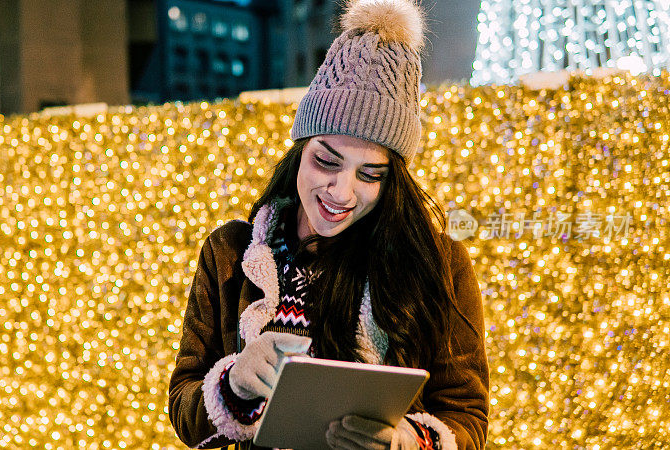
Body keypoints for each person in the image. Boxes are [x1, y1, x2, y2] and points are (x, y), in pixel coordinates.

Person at [169, 0, 489, 448]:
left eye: (370, 174)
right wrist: (235, 383)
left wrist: (411, 442)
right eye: (326, 161)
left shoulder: (437, 262)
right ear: (300, 149)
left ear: (392, 179)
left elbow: (466, 413)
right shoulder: (230, 254)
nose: (341, 192)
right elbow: (184, 407)